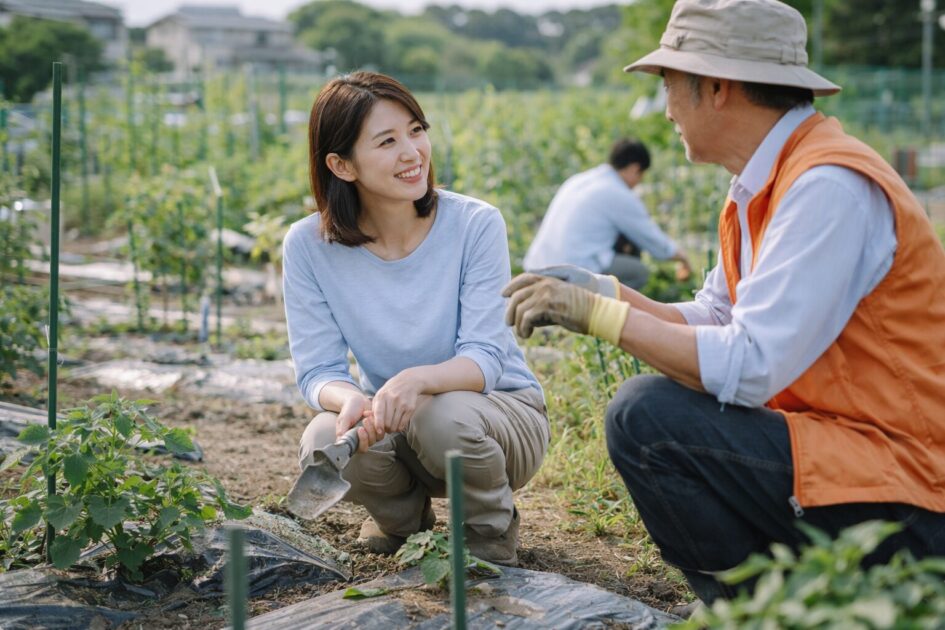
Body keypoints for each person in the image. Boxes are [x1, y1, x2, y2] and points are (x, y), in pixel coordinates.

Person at [503, 0, 945, 604]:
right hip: (849, 454)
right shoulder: (767, 183)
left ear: (715, 87)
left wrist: (603, 319)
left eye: (668, 85)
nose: (664, 108)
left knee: (646, 419)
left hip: (909, 488)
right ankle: (788, 597)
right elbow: (716, 317)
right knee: (655, 410)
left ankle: (762, 610)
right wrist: (605, 292)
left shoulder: (826, 188)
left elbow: (751, 363)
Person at [283, 71, 548, 566]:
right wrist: (354, 401)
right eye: (387, 141)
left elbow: (486, 358)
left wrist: (415, 381)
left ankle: (489, 533)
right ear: (341, 165)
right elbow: (318, 371)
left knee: (438, 412)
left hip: (497, 420)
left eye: (417, 130)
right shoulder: (307, 246)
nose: (412, 152)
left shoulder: (474, 224)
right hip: (400, 426)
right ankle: (406, 526)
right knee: (325, 435)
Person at [523, 138, 692, 289]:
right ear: (635, 169)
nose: (639, 182)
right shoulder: (617, 193)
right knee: (638, 272)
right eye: (641, 176)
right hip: (570, 272)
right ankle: (594, 316)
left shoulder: (580, 180)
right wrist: (682, 257)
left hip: (537, 266)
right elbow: (652, 240)